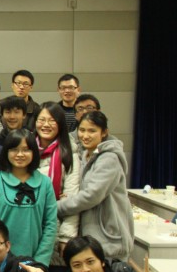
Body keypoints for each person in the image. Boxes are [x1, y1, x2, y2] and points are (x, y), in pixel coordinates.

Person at [57, 111, 133, 261]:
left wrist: (56, 207)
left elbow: (91, 195)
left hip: (109, 240)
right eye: (82, 130)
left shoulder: (109, 158)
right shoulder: (85, 155)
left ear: (104, 132)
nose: (85, 135)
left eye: (92, 131)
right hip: (91, 237)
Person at [0, 129, 58, 266]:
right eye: (14, 149)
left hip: (34, 261)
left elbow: (50, 225)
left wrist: (39, 262)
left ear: (34, 152)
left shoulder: (45, 183)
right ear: (6, 152)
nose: (20, 154)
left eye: (26, 150)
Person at [34, 102, 80, 272]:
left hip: (56, 230)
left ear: (60, 124)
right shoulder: (25, 150)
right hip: (30, 229)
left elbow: (72, 201)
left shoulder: (69, 154)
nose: (46, 124)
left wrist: (66, 238)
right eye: (41, 120)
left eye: (52, 120)